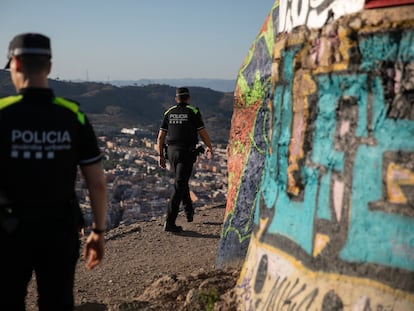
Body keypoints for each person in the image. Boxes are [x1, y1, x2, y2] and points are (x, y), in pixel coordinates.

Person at [0, 33, 107, 311]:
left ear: (15, 63)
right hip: (60, 228)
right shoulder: (73, 115)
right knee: (57, 301)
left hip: (8, 228)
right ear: (48, 67)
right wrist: (98, 230)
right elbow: (96, 183)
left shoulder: (1, 113)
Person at [157, 87, 213, 232]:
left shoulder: (168, 112)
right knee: (179, 184)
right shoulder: (193, 111)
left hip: (171, 152)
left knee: (181, 180)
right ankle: (170, 222)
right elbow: (202, 132)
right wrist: (209, 146)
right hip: (186, 152)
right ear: (188, 98)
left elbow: (160, 137)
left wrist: (160, 155)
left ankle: (189, 212)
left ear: (176, 99)